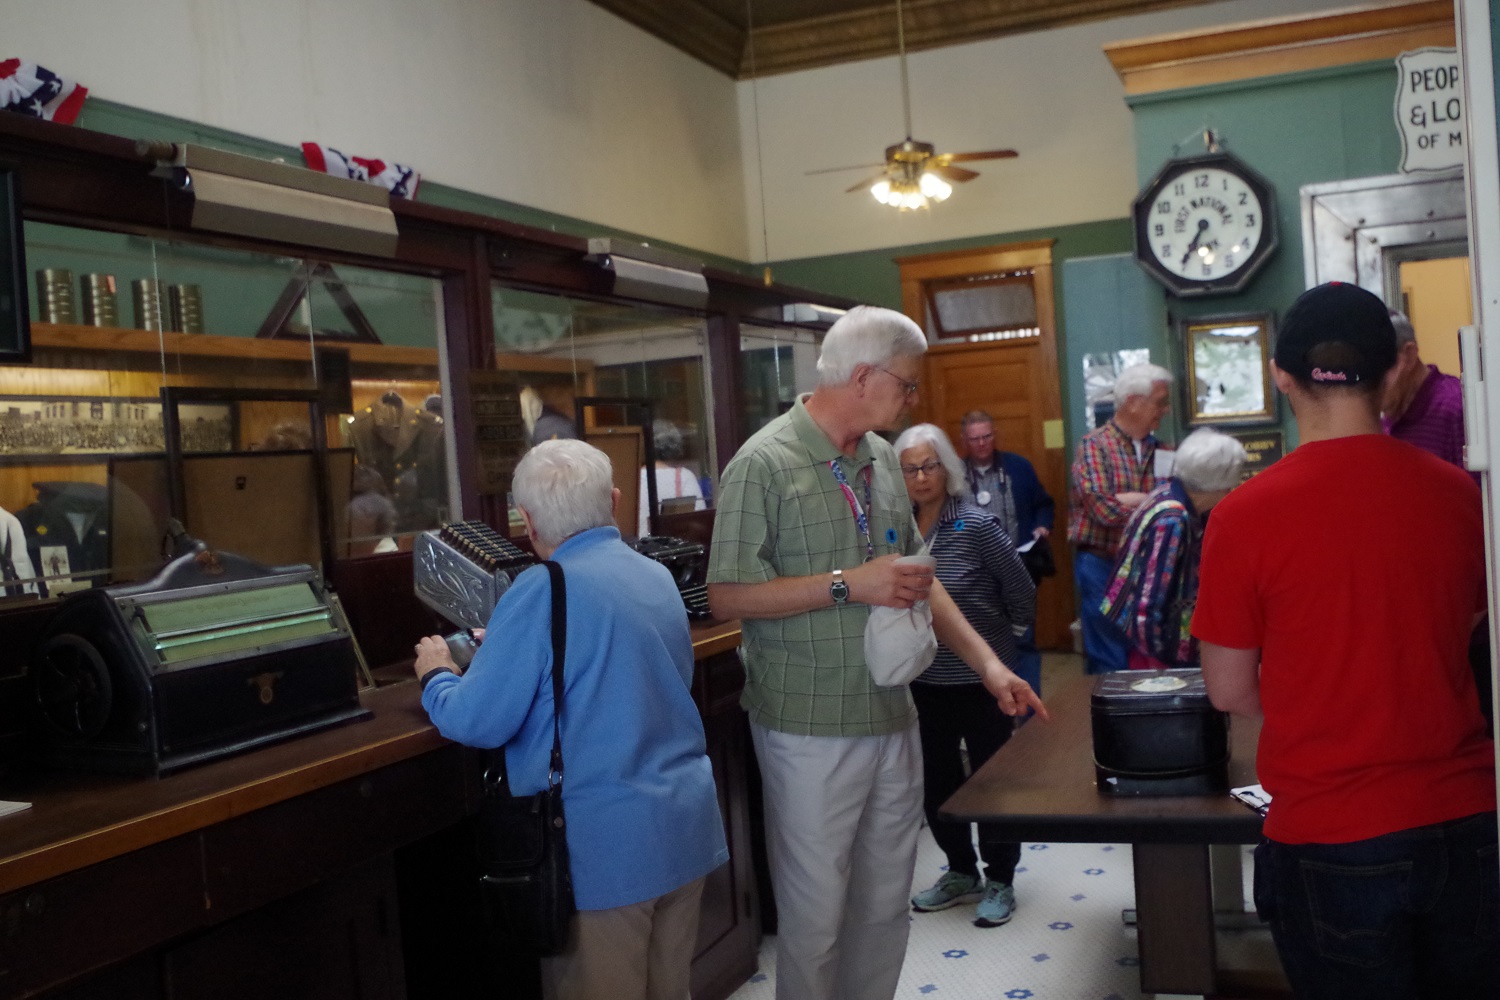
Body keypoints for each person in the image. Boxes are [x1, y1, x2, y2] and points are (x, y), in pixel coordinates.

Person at [707, 305, 1047, 1000]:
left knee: (886, 906)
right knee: (816, 915)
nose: (914, 398)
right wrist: (847, 584)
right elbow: (727, 596)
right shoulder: (763, 463)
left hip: (893, 712)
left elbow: (921, 579)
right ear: (863, 377)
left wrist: (989, 666)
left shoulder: (883, 458)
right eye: (907, 384)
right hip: (808, 723)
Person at [1193, 282, 1498, 999]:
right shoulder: (1463, 497)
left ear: (1281, 375)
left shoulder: (1242, 517)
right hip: (1467, 818)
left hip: (1330, 831)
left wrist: (1319, 695)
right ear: (1392, 371)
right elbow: (1470, 635)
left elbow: (1228, 690)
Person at [413, 439, 728, 1000]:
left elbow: (476, 721)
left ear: (528, 520)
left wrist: (437, 674)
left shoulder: (541, 589)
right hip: (684, 827)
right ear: (614, 500)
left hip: (604, 851)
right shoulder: (656, 574)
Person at [893, 422, 1035, 928]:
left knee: (992, 781)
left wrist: (1003, 645)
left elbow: (1021, 591)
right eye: (909, 469)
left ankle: (1001, 878)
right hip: (924, 681)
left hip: (981, 682)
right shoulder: (895, 530)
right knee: (938, 782)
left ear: (947, 468)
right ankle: (960, 870)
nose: (920, 477)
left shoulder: (975, 524)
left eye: (929, 466)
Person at [1100, 427, 1245, 671]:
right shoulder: (1171, 519)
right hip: (1153, 651)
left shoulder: (1168, 493)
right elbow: (1148, 600)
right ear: (1219, 484)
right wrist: (1160, 661)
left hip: (1150, 640)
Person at [1066, 362, 1172, 674]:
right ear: (1133, 402)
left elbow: (1173, 510)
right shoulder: (1094, 445)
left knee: (1147, 655)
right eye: (1160, 402)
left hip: (1149, 567)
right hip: (1102, 565)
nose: (1165, 410)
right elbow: (1103, 510)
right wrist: (1152, 502)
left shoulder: (1163, 449)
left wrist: (1136, 500)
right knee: (1109, 660)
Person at [959, 409, 1054, 696]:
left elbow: (1043, 503)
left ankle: (1029, 708)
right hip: (973, 575)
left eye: (987, 436)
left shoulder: (1018, 467)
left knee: (1023, 639)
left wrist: (1042, 526)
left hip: (1017, 567)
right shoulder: (954, 475)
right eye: (974, 438)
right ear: (964, 440)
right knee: (980, 643)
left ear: (995, 435)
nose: (981, 443)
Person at [1382, 308, 1478, 482]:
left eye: (1380, 367)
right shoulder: (1388, 410)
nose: (1371, 382)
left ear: (1409, 355)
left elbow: (1481, 494)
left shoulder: (1456, 408)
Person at [637, 418, 705, 537]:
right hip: (673, 546)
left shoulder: (631, 480)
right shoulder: (684, 477)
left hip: (635, 547)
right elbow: (700, 521)